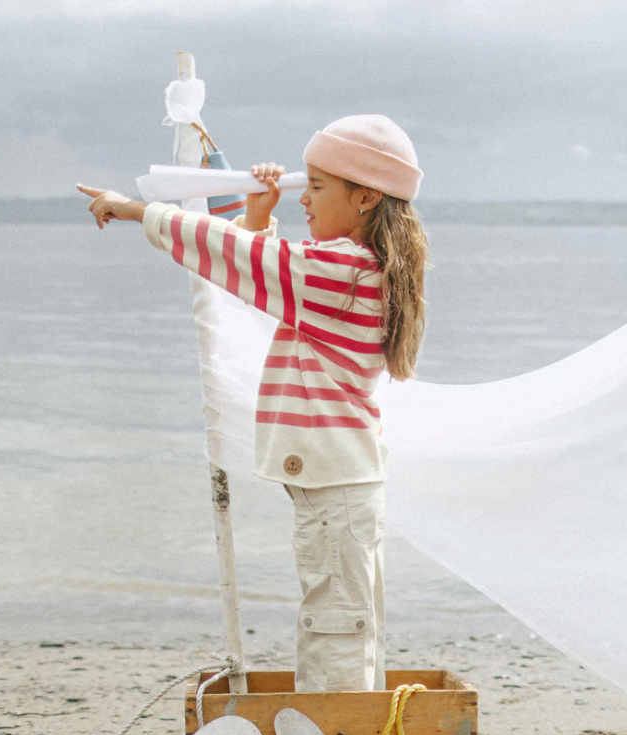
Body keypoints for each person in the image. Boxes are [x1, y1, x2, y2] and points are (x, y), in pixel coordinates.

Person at [77, 114, 428, 693]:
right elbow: (267, 276)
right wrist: (260, 213)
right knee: (345, 620)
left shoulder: (344, 272)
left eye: (315, 187)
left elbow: (243, 258)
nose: (305, 201)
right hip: (340, 484)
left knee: (336, 627)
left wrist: (138, 209)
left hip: (339, 487)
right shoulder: (349, 271)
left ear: (364, 196)